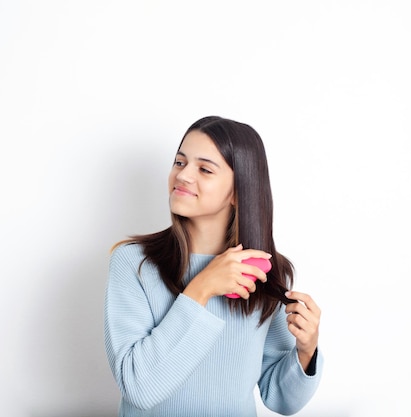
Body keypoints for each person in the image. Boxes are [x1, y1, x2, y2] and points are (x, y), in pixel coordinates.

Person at [103, 116, 323, 417]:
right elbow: (140, 387)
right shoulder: (133, 262)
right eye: (180, 163)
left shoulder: (265, 270)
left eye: (204, 169)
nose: (183, 175)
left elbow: (281, 399)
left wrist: (307, 350)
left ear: (237, 192)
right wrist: (203, 288)